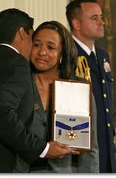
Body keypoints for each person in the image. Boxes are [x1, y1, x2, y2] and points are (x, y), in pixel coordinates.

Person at [0, 8, 79, 173]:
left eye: (51, 47)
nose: (39, 50)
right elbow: (0, 114)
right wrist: (43, 149)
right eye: (33, 39)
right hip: (0, 166)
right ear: (22, 33)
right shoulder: (16, 64)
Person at [29, 20, 99, 173]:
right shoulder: (19, 85)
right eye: (36, 45)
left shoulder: (78, 88)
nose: (42, 52)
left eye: (50, 47)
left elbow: (90, 150)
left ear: (63, 53)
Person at [66, 0, 116, 173]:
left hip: (106, 146)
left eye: (101, 17)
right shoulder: (68, 55)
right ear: (76, 23)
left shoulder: (102, 56)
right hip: (83, 151)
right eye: (94, 18)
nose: (102, 22)